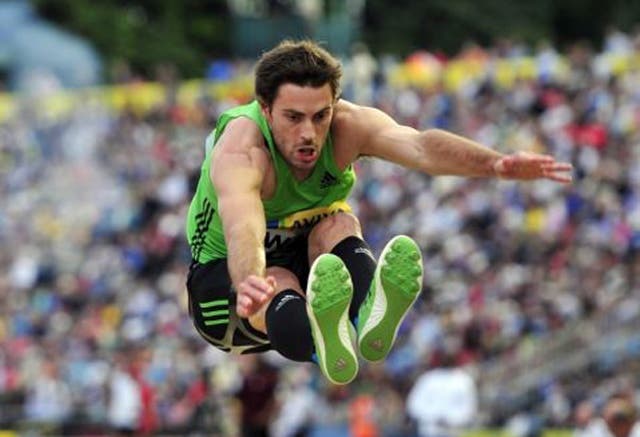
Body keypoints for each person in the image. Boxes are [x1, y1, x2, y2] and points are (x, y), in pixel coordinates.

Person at [185, 39, 572, 385]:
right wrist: (249, 278)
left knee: (336, 221)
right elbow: (243, 225)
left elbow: (421, 147)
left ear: (334, 106)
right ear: (266, 110)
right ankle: (319, 338)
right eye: (293, 118)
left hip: (304, 259)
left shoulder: (349, 125)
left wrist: (495, 164)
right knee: (277, 276)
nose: (309, 133)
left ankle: (367, 313)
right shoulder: (242, 147)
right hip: (226, 287)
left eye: (320, 116)